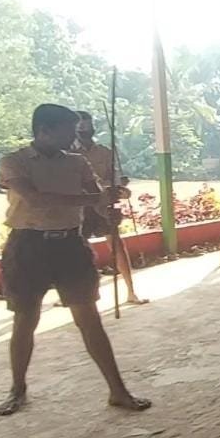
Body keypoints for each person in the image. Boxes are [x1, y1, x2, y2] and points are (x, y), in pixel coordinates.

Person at [0, 104, 150, 416]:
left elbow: (97, 201)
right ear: (44, 130)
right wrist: (95, 199)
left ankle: (118, 391)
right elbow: (36, 199)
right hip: (28, 245)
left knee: (89, 319)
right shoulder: (13, 162)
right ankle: (17, 389)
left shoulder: (77, 162)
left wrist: (108, 210)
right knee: (25, 319)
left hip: (70, 245)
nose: (75, 138)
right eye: (68, 131)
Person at [73, 111, 146, 305]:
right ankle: (77, 294)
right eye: (80, 128)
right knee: (77, 251)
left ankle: (131, 291)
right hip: (79, 208)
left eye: (87, 127)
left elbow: (114, 178)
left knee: (117, 245)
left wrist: (120, 188)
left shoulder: (104, 152)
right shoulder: (67, 154)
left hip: (103, 205)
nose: (84, 131)